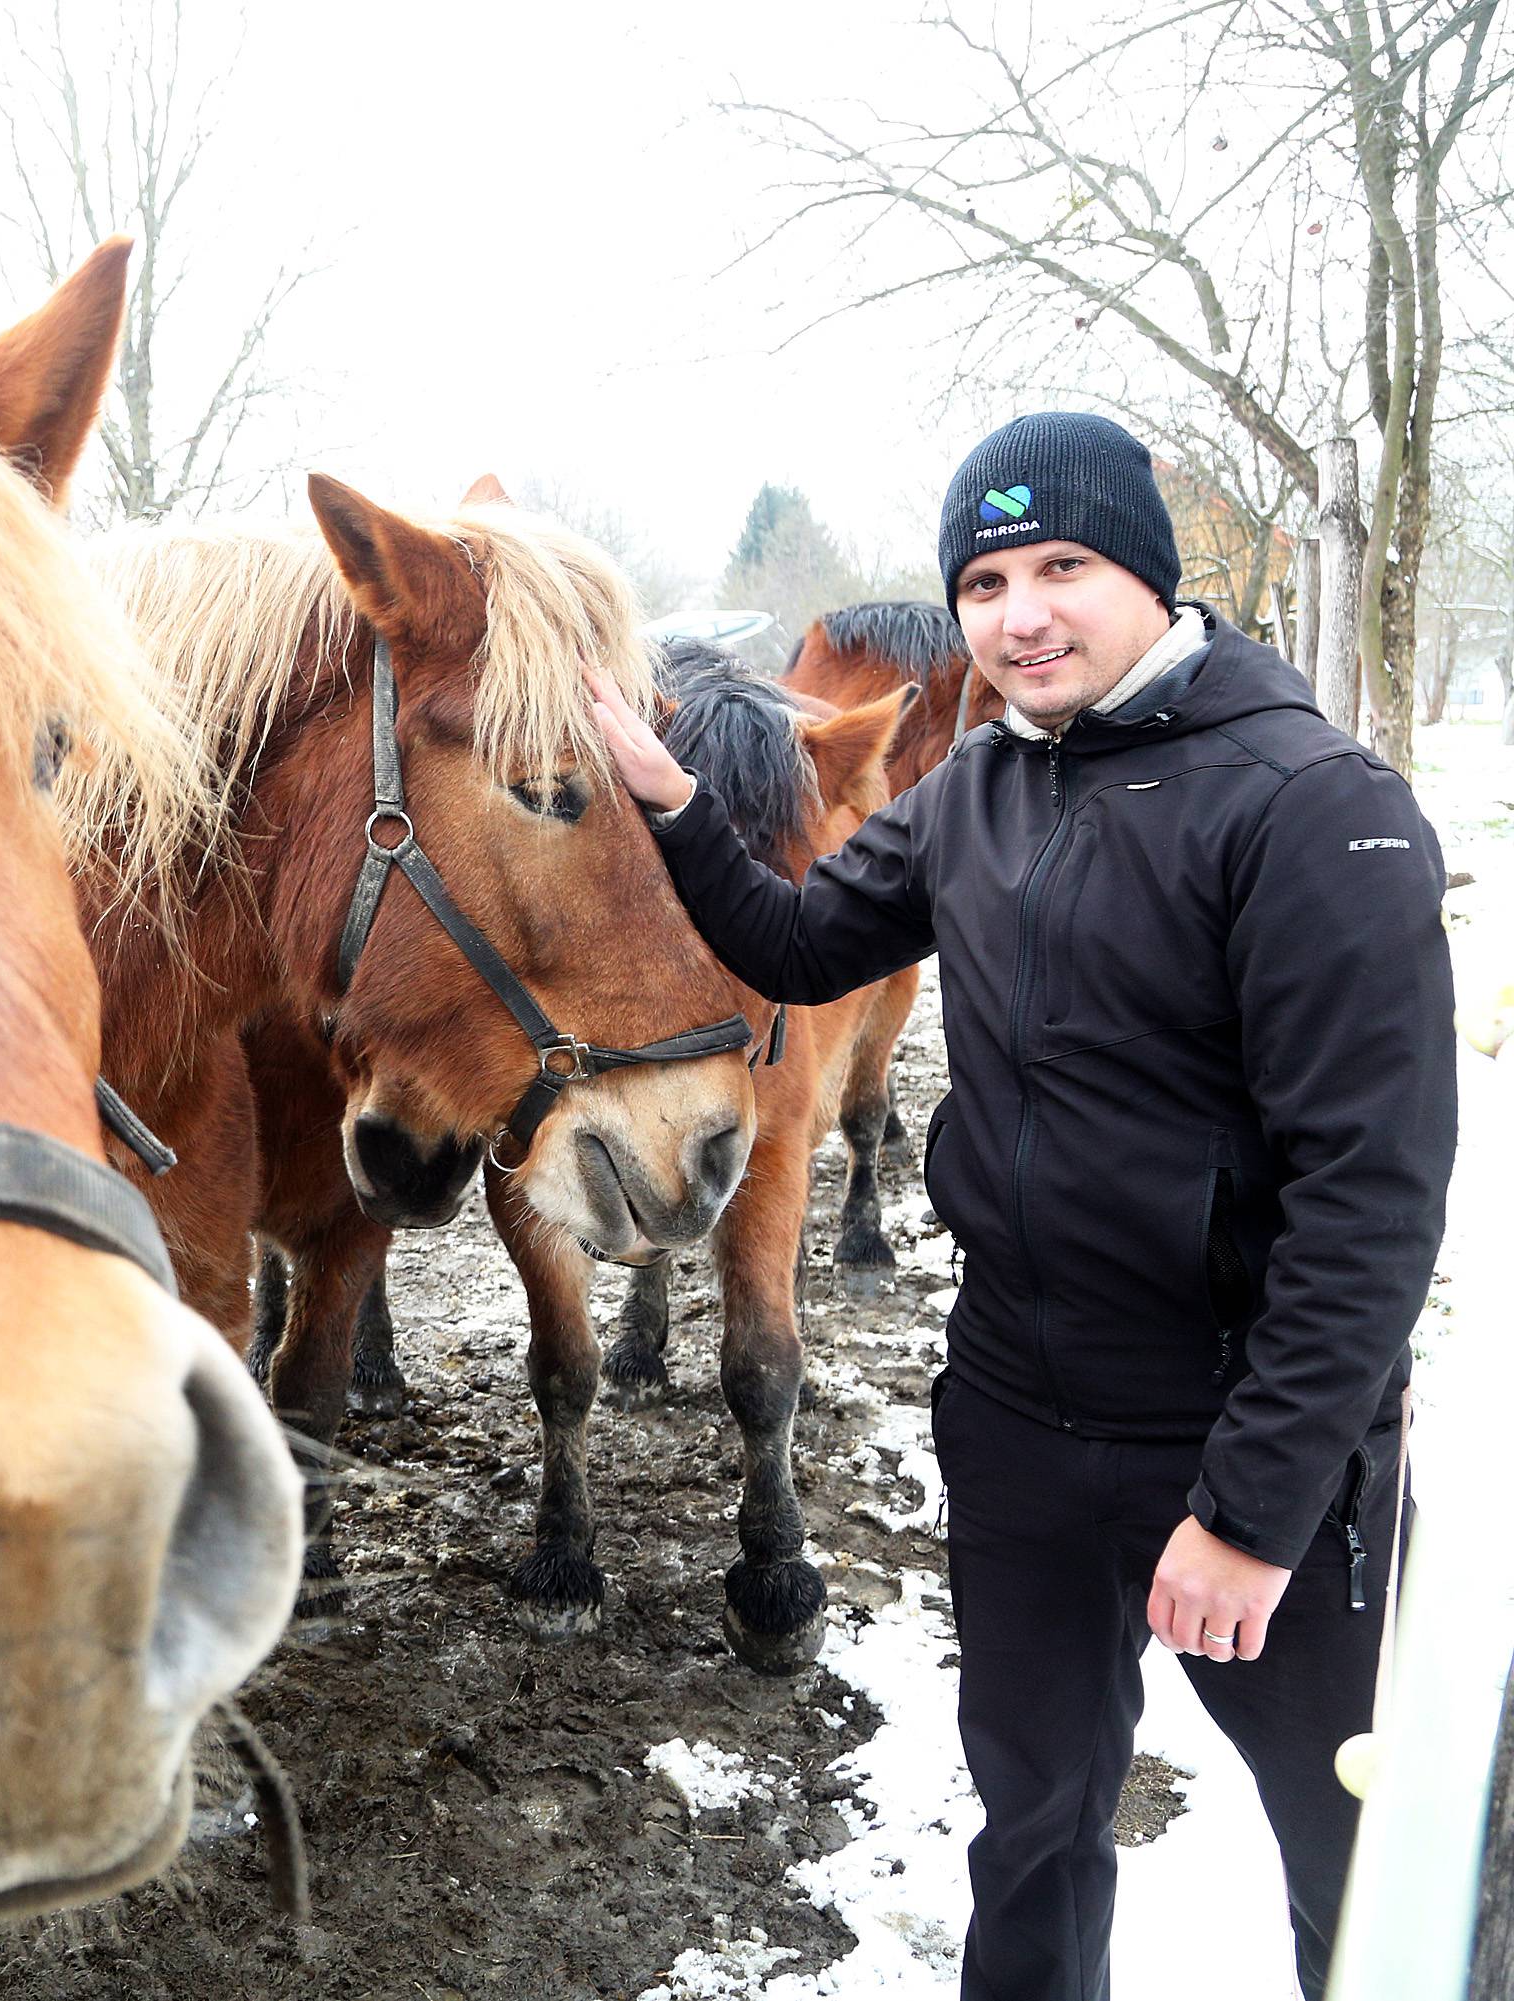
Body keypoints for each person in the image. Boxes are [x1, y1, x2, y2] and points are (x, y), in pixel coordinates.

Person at [588, 411, 1457, 2001]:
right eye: (984, 580)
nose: (1019, 613)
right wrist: (670, 802)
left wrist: (1254, 1513)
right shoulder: (980, 786)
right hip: (1017, 1420)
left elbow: (1375, 1202)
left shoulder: (1312, 803)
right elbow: (794, 947)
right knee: (1032, 1825)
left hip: (1258, 1445)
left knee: (1362, 1858)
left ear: (1147, 572)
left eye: (1062, 566)